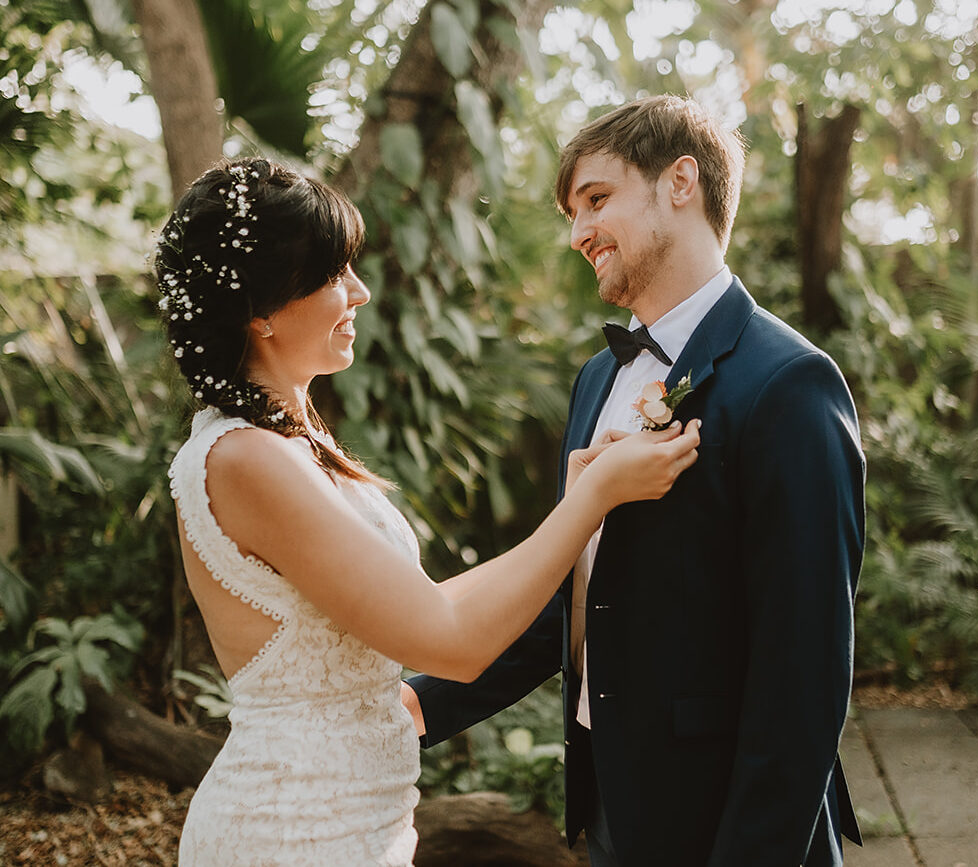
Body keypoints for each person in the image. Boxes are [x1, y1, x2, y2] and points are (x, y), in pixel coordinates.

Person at [156, 156, 701, 866]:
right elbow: (454, 641)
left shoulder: (289, 442)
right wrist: (591, 499)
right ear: (259, 312)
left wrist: (579, 512)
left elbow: (421, 603)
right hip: (294, 830)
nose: (360, 289)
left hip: (355, 817)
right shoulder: (246, 459)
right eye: (331, 276)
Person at [404, 95, 866, 866]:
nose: (579, 232)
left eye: (596, 199)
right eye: (571, 212)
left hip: (724, 818)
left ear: (680, 181)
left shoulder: (788, 383)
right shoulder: (596, 381)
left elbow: (805, 673)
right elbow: (573, 598)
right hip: (609, 800)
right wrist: (420, 702)